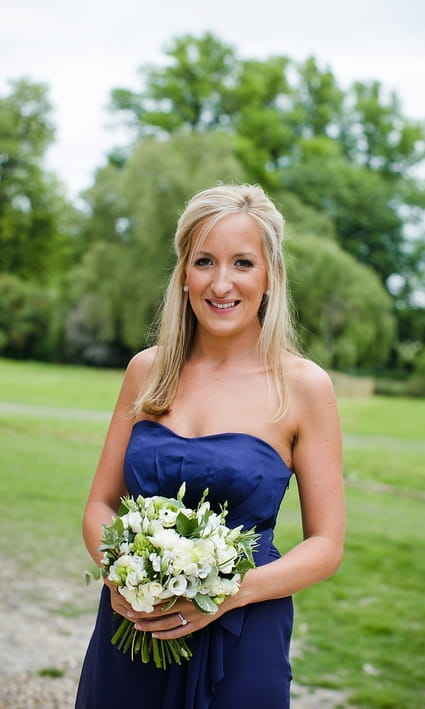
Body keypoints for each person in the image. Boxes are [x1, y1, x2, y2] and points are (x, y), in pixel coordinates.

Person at [75, 183, 344, 709]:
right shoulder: (146, 372)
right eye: (204, 261)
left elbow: (326, 545)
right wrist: (122, 580)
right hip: (133, 629)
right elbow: (100, 505)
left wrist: (221, 595)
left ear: (270, 276)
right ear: (183, 276)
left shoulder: (304, 387)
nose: (221, 283)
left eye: (243, 262)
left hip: (244, 636)